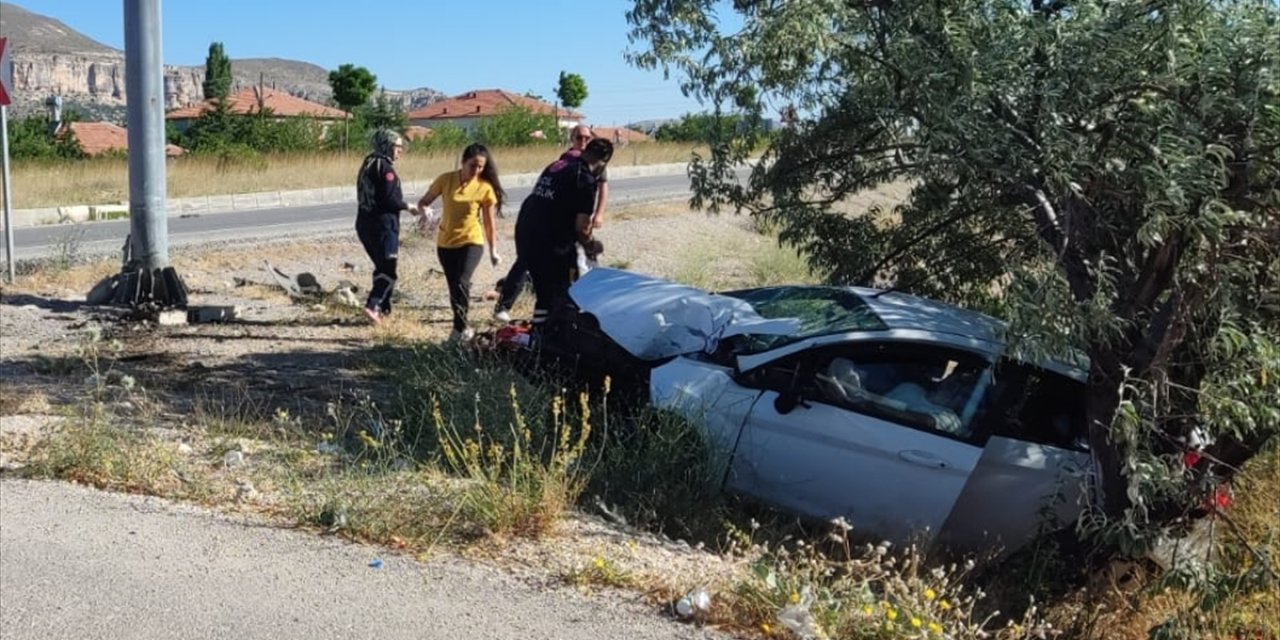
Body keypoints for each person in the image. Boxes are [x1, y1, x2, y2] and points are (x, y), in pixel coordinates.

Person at [491, 124, 610, 322]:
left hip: (527, 225)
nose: (582, 141)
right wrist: (591, 246)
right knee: (560, 287)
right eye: (579, 138)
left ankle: (540, 332)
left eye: (586, 139)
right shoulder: (585, 177)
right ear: (603, 162)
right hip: (549, 234)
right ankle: (555, 332)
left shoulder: (558, 165)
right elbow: (581, 226)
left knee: (543, 288)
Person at [417, 143, 506, 342]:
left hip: (471, 241)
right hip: (446, 243)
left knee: (462, 282)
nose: (477, 170)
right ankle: (461, 326)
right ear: (463, 161)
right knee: (454, 287)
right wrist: (425, 211)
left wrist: (493, 251)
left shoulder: (484, 188)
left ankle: (459, 329)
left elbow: (490, 224)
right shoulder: (446, 179)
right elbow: (424, 202)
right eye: (473, 165)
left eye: (481, 167)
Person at [355, 129, 421, 324]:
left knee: (381, 266)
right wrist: (409, 207)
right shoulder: (386, 169)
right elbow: (390, 200)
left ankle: (384, 308)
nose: (400, 151)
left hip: (363, 223)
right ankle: (373, 305)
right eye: (397, 146)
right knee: (389, 269)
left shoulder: (368, 163)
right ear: (386, 145)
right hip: (383, 225)